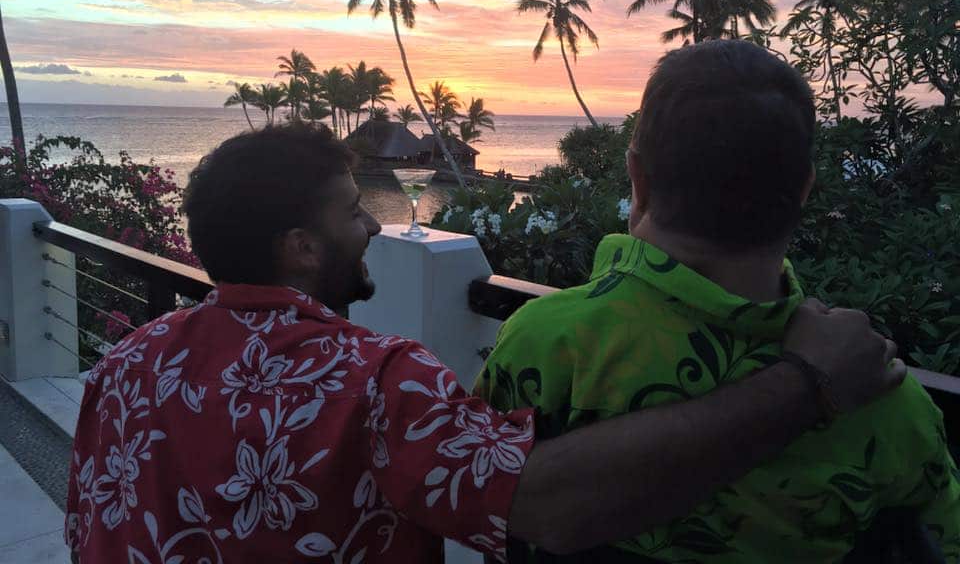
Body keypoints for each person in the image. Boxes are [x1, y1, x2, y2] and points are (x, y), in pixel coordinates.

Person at [65, 123, 904, 563]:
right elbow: (549, 506)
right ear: (302, 249)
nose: (371, 226)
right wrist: (805, 382)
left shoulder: (128, 362)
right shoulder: (375, 383)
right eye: (353, 210)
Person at [477, 40, 959, 563]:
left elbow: (484, 506)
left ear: (637, 177)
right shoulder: (885, 396)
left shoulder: (545, 344)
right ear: (805, 189)